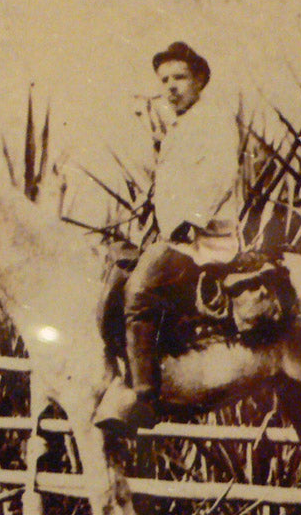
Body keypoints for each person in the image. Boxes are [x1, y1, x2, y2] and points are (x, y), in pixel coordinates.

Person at [95, 41, 243, 433]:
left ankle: (145, 401)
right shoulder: (179, 128)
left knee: (139, 293)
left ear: (199, 81)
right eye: (164, 80)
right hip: (176, 236)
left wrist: (191, 220)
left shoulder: (214, 120)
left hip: (205, 239)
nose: (171, 87)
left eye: (180, 77)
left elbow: (221, 176)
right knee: (113, 275)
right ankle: (123, 376)